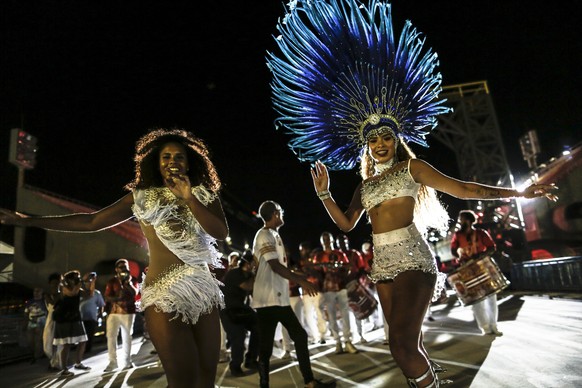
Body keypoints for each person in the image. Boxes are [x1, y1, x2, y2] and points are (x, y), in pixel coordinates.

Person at [266, 1, 558, 386]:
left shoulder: (412, 169)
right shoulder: (365, 186)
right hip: (382, 265)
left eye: (386, 136)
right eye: (373, 139)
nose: (381, 143)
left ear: (396, 138)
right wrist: (324, 194)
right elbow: (347, 223)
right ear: (366, 146)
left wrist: (520, 191)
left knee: (402, 344)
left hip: (414, 259)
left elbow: (466, 189)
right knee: (404, 344)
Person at [0, 128, 229, 388]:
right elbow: (92, 221)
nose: (172, 162)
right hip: (165, 293)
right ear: (156, 162)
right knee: (183, 381)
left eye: (179, 157)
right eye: (166, 157)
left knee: (206, 378)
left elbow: (220, 231)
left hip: (203, 291)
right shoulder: (142, 198)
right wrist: (29, 221)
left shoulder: (203, 195)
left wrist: (188, 199)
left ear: (189, 162)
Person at [252, 201, 336, 388]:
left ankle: (309, 382)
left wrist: (300, 275)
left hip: (278, 299)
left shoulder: (274, 235)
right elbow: (274, 266)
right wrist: (302, 281)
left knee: (298, 336)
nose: (283, 214)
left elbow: (280, 266)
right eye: (280, 212)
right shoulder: (264, 234)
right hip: (267, 300)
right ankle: (270, 384)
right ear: (274, 214)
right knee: (267, 347)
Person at [450, 210, 502, 336]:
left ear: (468, 220)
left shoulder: (481, 233)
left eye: (462, 219)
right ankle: (485, 328)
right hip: (468, 269)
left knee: (491, 296)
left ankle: (493, 326)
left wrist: (480, 256)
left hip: (482, 266)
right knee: (476, 299)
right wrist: (460, 253)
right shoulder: (458, 235)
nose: (460, 221)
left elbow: (491, 247)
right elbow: (453, 250)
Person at [313, 232, 358, 354]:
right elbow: (316, 272)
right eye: (324, 239)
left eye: (328, 239)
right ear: (322, 241)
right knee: (332, 316)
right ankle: (337, 342)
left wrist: (343, 273)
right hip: (328, 289)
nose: (327, 241)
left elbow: (348, 268)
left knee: (345, 314)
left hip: (341, 286)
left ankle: (348, 341)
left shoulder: (340, 254)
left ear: (332, 240)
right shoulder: (319, 256)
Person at [219, 250, 259, 377]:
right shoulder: (235, 273)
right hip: (228, 310)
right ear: (247, 264)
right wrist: (254, 273)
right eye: (253, 263)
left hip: (240, 309)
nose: (254, 265)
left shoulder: (246, 274)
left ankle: (251, 359)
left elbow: (253, 293)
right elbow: (247, 287)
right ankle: (235, 366)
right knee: (238, 336)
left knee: (259, 326)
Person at [52, 270, 90, 376]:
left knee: (83, 340)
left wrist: (92, 282)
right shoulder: (63, 287)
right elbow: (72, 293)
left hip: (75, 318)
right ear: (69, 279)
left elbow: (89, 295)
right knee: (66, 344)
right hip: (64, 319)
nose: (78, 279)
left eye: (78, 277)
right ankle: (64, 369)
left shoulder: (78, 287)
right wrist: (81, 281)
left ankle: (78, 363)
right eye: (76, 277)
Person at [104, 258, 138, 371]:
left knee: (127, 337)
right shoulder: (112, 281)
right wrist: (117, 298)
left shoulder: (132, 280)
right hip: (113, 312)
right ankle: (112, 362)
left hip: (128, 312)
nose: (124, 269)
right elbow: (107, 296)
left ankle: (127, 361)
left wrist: (128, 283)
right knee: (111, 337)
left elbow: (135, 293)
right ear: (116, 269)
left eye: (125, 267)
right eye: (121, 267)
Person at [298, 241, 327, 344]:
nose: (304, 251)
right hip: (306, 292)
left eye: (305, 249)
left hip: (317, 289)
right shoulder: (300, 262)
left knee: (319, 312)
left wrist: (310, 268)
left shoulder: (315, 259)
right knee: (308, 315)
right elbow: (300, 275)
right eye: (302, 250)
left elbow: (320, 274)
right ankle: (316, 336)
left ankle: (322, 335)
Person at [80, 271, 105, 353]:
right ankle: (81, 349)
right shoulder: (80, 293)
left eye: (90, 282)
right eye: (86, 282)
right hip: (81, 318)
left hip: (91, 318)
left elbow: (101, 304)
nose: (88, 284)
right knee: (81, 336)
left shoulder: (97, 293)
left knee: (89, 335)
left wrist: (100, 314)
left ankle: (87, 350)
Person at [43, 272, 63, 371]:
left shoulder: (62, 294)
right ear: (50, 283)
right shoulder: (47, 295)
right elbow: (51, 305)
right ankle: (53, 361)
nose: (56, 285)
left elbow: (55, 303)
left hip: (60, 319)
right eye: (54, 282)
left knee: (58, 343)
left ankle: (56, 364)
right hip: (50, 319)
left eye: (58, 282)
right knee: (48, 341)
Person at [24, 287, 47, 364]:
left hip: (41, 321)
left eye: (38, 291)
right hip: (31, 322)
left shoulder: (44, 301)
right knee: (30, 340)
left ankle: (36, 357)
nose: (36, 293)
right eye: (35, 291)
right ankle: (35, 355)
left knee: (38, 340)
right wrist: (25, 322)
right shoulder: (30, 302)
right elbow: (26, 312)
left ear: (41, 292)